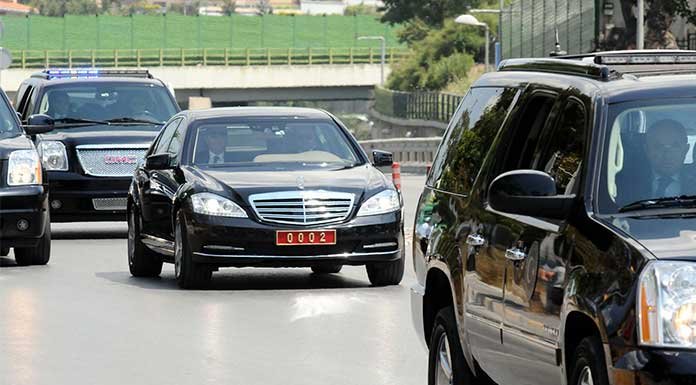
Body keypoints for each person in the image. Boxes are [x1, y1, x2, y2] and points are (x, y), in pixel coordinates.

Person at [620, 119, 694, 204]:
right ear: (647, 150)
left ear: (686, 150)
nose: (667, 155)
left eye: (675, 146)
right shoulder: (625, 183)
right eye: (658, 147)